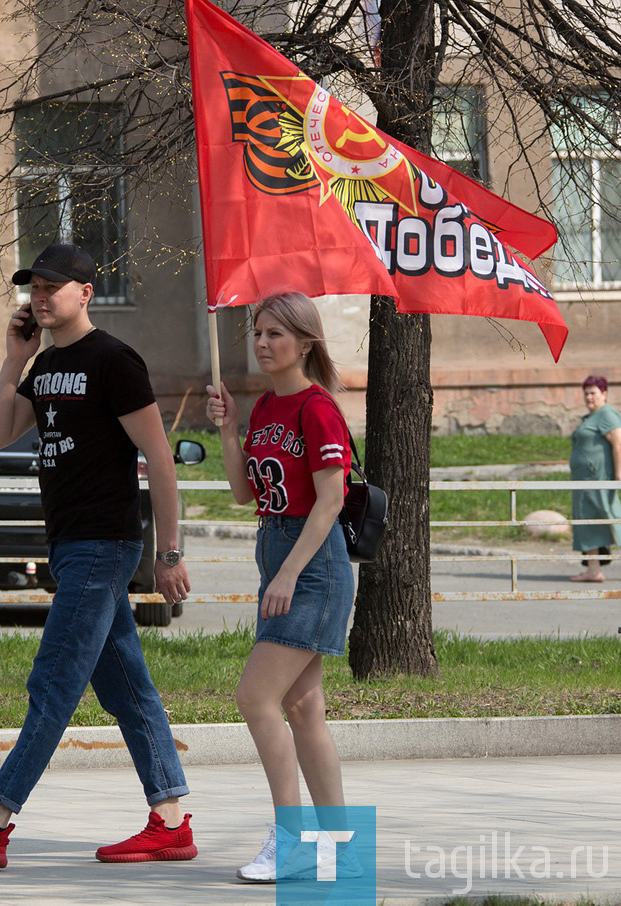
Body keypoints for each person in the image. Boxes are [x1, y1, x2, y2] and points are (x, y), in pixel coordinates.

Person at [0, 243, 197, 869]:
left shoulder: (115, 362)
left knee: (53, 680)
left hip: (106, 545)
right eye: (33, 287)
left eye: (53, 286)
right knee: (128, 689)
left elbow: (159, 460)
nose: (41, 296)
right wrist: (12, 360)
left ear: (85, 292)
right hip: (71, 547)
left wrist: (169, 551)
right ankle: (171, 822)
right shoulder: (42, 369)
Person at [205, 292, 361, 884]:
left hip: (312, 564)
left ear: (306, 341)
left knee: (256, 697)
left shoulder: (318, 409)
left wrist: (291, 574)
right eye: (259, 332)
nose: (263, 342)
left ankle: (291, 837)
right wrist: (229, 431)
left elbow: (331, 500)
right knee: (302, 707)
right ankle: (341, 845)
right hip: (276, 546)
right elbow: (247, 496)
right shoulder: (269, 405)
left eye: (276, 334)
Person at [569, 375, 621, 582]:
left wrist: (619, 476)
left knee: (614, 523)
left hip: (599, 481)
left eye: (593, 393)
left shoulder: (607, 414)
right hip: (585, 483)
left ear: (604, 394)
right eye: (586, 393)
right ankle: (593, 571)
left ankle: (594, 570)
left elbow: (620, 444)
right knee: (589, 524)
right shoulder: (593, 417)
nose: (589, 397)